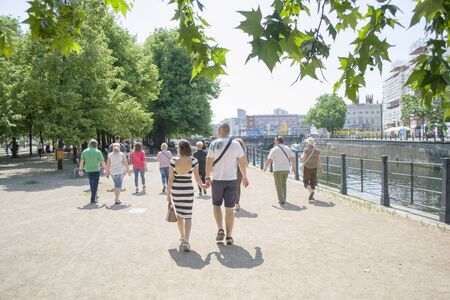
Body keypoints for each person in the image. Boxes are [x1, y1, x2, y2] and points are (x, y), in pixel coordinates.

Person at [205, 123, 249, 246]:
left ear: (221, 130)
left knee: (216, 205)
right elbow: (242, 162)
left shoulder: (214, 144)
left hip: (218, 180)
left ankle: (220, 229)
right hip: (231, 180)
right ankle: (229, 236)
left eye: (218, 129)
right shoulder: (235, 144)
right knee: (229, 209)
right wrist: (245, 177)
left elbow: (209, 162)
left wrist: (207, 177)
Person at [167, 140, 203, 252]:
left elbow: (170, 179)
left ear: (179, 149)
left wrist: (168, 193)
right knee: (188, 215)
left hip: (177, 191)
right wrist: (203, 185)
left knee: (179, 215)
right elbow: (197, 178)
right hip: (188, 190)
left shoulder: (173, 161)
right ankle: (187, 239)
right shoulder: (194, 160)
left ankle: (182, 237)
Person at [263, 136, 296, 206]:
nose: (274, 142)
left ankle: (281, 200)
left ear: (277, 141)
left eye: (275, 140)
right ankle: (284, 198)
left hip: (278, 169)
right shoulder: (287, 148)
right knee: (284, 184)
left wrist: (265, 167)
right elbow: (292, 158)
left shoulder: (274, 149)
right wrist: (293, 167)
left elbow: (269, 159)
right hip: (286, 169)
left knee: (278, 185)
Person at [79, 139, 107, 204]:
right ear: (96, 145)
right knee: (95, 185)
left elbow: (82, 162)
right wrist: (106, 169)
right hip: (96, 170)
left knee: (92, 184)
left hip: (88, 170)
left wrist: (80, 170)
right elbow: (102, 162)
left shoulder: (84, 151)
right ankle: (92, 199)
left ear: (89, 144)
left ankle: (94, 196)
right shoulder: (98, 152)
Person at [234, 138, 248, 211]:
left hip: (231, 170)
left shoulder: (231, 150)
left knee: (231, 186)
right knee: (237, 187)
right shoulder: (242, 151)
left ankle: (233, 202)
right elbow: (246, 164)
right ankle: (237, 203)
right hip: (240, 170)